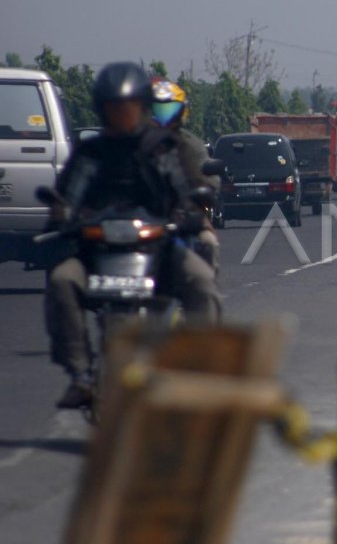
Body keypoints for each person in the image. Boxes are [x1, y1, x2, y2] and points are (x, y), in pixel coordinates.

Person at [44, 62, 221, 409]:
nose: (122, 115)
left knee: (201, 282)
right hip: (97, 252)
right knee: (63, 280)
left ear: (142, 107)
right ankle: (80, 374)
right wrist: (62, 216)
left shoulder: (162, 149)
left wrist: (190, 215)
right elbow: (68, 196)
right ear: (103, 110)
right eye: (115, 109)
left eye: (129, 108)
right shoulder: (90, 154)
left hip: (157, 248)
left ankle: (204, 368)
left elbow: (182, 192)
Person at [150, 77, 221, 271]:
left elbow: (207, 180)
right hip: (139, 221)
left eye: (169, 111)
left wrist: (202, 195)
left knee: (208, 243)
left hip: (179, 221)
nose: (163, 120)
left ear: (181, 112)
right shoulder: (131, 146)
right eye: (157, 111)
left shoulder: (191, 146)